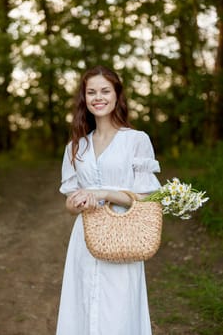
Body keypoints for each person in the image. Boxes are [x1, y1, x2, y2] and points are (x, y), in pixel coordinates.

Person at [56, 65, 161, 335]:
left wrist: (102, 193)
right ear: (84, 98)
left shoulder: (136, 140)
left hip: (124, 236)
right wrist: (77, 203)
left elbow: (149, 196)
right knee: (82, 306)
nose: (98, 97)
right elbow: (70, 201)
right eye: (91, 92)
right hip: (85, 238)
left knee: (119, 312)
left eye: (105, 91)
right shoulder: (76, 146)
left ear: (117, 96)